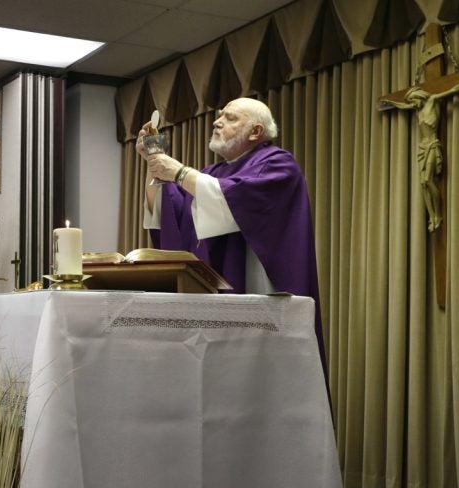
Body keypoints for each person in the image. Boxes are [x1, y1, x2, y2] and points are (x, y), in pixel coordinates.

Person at [136, 97, 326, 373]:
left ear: (256, 132)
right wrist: (153, 158)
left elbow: (234, 201)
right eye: (220, 114)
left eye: (231, 117)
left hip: (260, 298)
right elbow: (170, 213)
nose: (216, 120)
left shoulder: (278, 163)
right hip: (214, 304)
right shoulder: (211, 173)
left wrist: (177, 172)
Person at [378, 70, 459, 232]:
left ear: (419, 97)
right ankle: (432, 216)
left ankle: (438, 214)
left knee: (429, 181)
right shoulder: (417, 109)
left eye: (413, 101)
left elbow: (454, 90)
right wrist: (389, 102)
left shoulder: (431, 100)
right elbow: (403, 105)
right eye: (411, 102)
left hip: (432, 145)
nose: (413, 104)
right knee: (423, 183)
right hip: (422, 148)